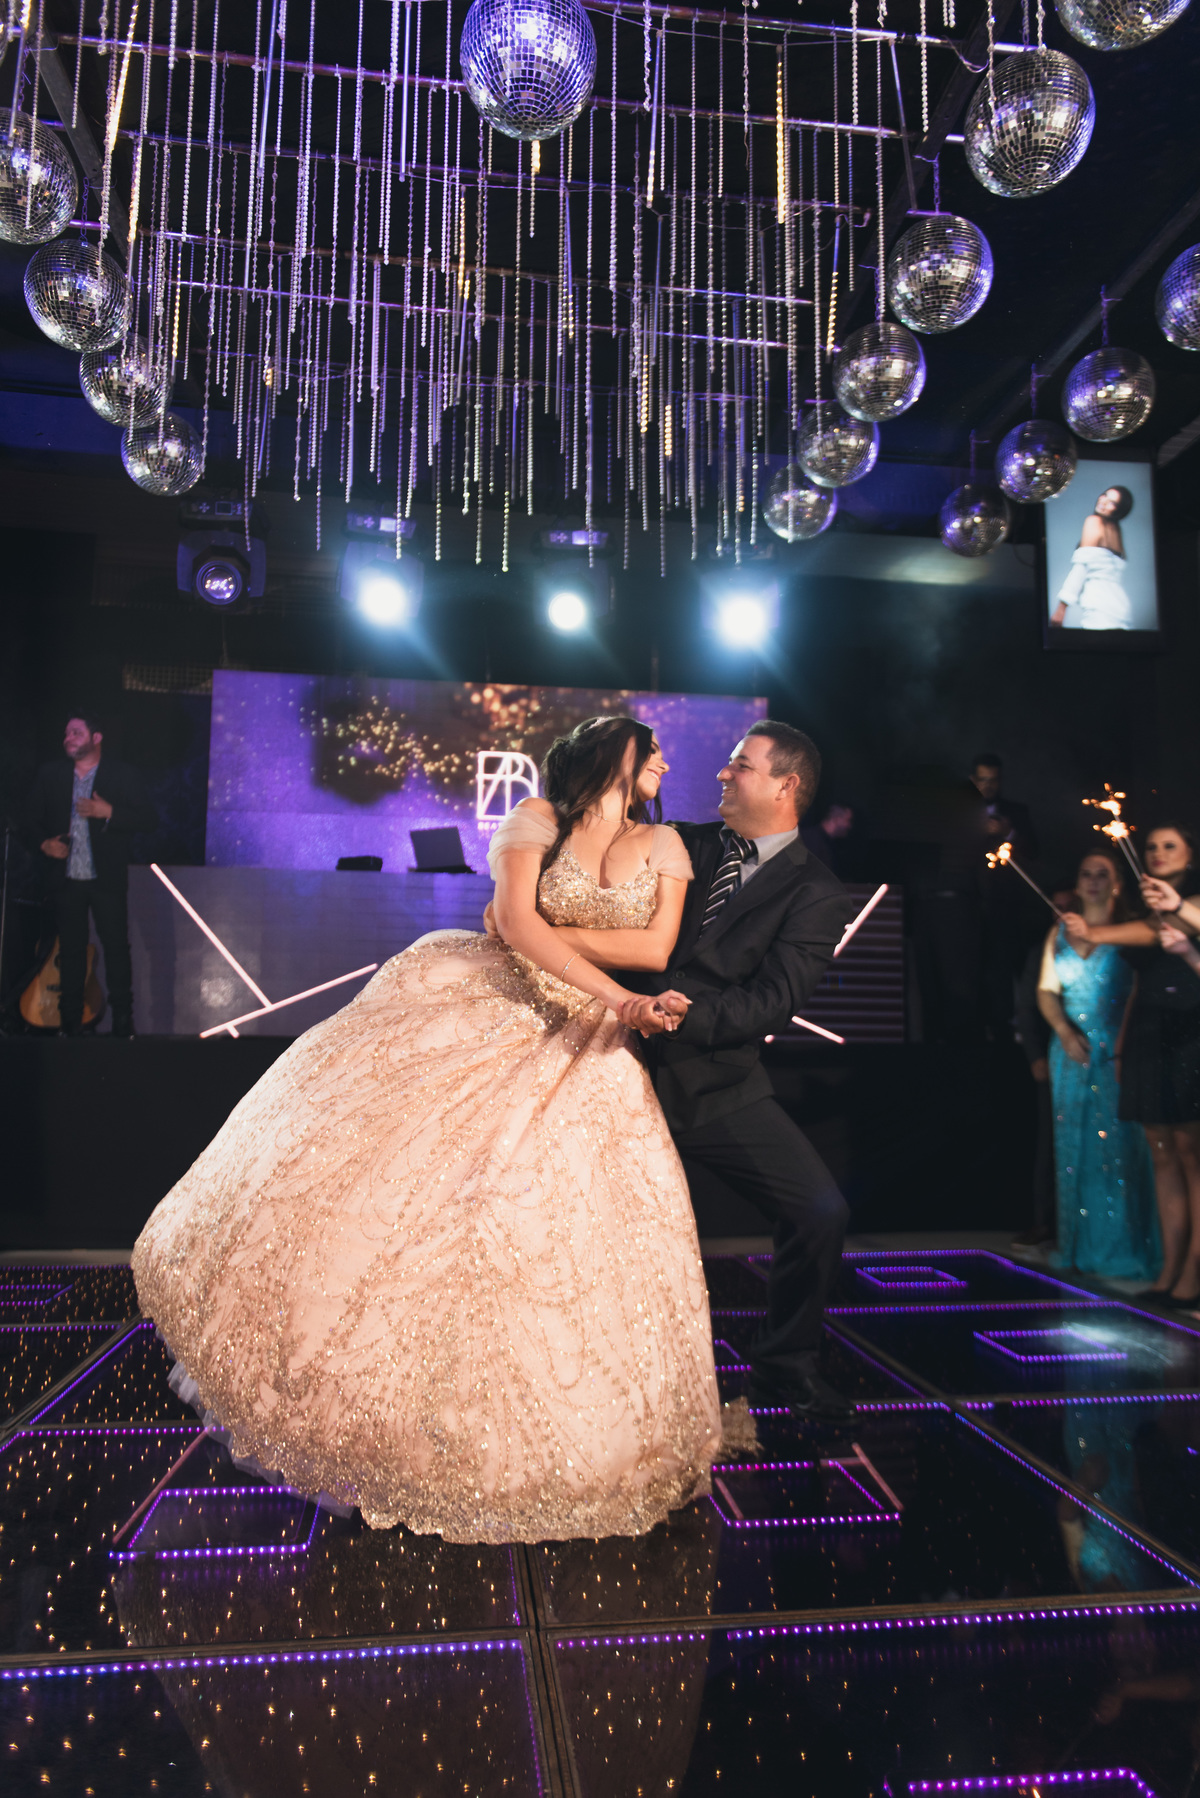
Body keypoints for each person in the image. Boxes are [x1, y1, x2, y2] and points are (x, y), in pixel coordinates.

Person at [133, 717, 734, 1543]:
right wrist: (589, 974)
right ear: (612, 757)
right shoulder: (537, 819)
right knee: (401, 1177)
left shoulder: (665, 843)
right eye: (649, 747)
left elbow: (649, 943)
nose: (665, 759)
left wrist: (550, 944)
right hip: (504, 1000)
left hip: (589, 1024)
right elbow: (514, 925)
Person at [525, 722, 856, 1421]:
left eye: (741, 766)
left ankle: (784, 1369)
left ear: (787, 785)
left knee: (820, 1211)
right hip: (598, 1058)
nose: (722, 774)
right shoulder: (678, 839)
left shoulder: (817, 890)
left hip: (710, 1080)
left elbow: (775, 1000)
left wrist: (680, 1015)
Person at [1063, 823, 1200, 1303]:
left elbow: (1163, 931)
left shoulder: (1189, 903)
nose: (1158, 853)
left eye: (1170, 846)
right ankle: (1169, 1270)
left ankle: (1193, 1274)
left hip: (1190, 1030)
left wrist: (1095, 931)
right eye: (1152, 846)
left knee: (1191, 1154)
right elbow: (1139, 985)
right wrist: (1123, 1045)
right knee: (1161, 1154)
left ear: (1190, 854)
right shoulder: (1148, 905)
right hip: (1148, 1031)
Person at [1036, 850, 1158, 1280]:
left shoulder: (1128, 932)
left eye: (1101, 874)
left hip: (1117, 1049)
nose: (1092, 880)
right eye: (1085, 873)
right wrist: (1063, 1031)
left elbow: (1140, 991)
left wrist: (1122, 1044)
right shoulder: (1059, 932)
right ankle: (1078, 1244)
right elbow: (1046, 990)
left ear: (1117, 884)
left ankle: (1120, 1245)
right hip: (1070, 1050)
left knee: (1120, 1149)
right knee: (1073, 1148)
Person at [22, 713, 156, 1036]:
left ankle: (122, 1020)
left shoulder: (122, 775)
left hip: (105, 877)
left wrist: (108, 812)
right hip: (65, 877)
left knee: (115, 947)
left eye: (76, 733)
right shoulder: (51, 774)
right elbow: (28, 820)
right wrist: (44, 844)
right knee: (70, 949)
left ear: (96, 738)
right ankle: (69, 1022)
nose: (68, 738)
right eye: (66, 733)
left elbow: (149, 819)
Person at [1011, 882, 1078, 1250]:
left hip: (1101, 1053)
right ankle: (1045, 1221)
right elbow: (1027, 1006)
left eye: (1069, 905)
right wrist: (1036, 1055)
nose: (1062, 913)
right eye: (1057, 907)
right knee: (1050, 1142)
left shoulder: (1107, 942)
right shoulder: (1043, 950)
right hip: (1057, 1055)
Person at [1050, 486, 1135, 631]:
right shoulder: (1116, 530)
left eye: (1112, 503)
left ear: (1118, 510)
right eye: (1105, 495)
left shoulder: (1094, 521)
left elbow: (1080, 569)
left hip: (1100, 607)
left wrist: (1061, 609)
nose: (1103, 502)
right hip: (1122, 609)